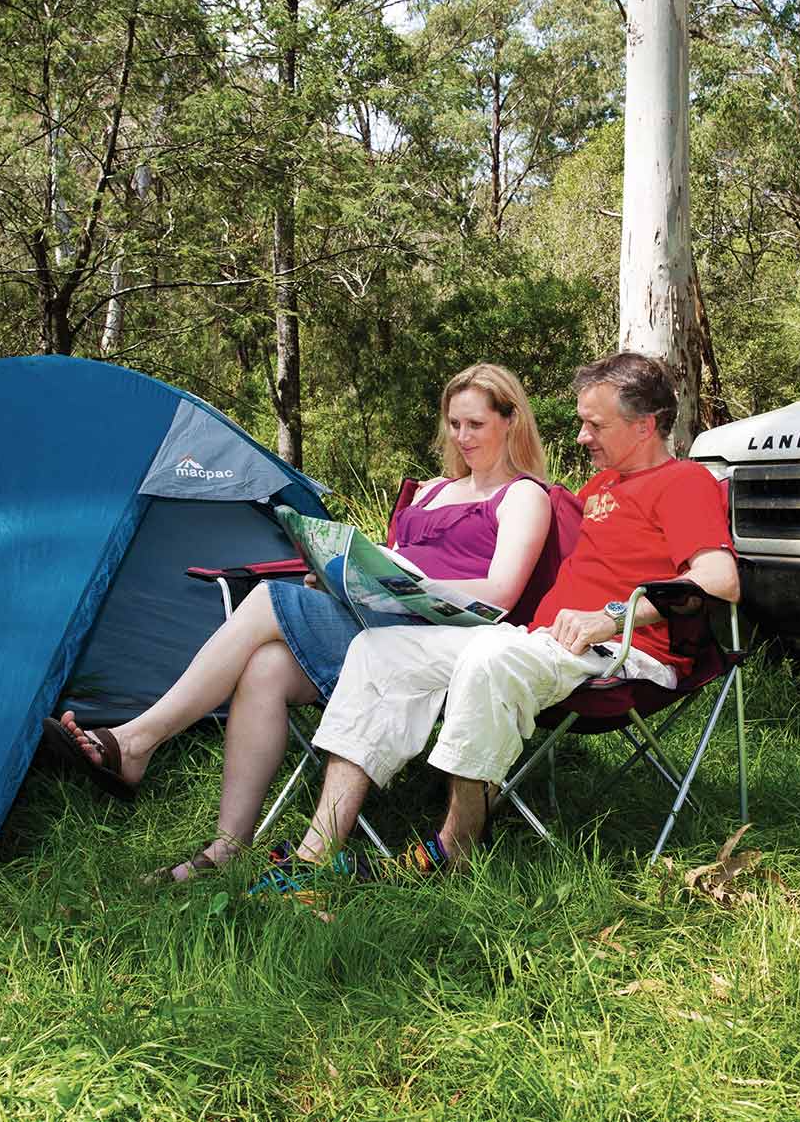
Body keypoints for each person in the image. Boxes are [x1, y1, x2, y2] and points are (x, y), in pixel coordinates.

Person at [45, 363, 553, 881]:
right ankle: (226, 847)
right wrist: (343, 578)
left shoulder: (523, 496)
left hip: (446, 645)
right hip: (375, 627)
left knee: (267, 599)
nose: (462, 437)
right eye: (454, 423)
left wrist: (416, 581)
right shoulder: (431, 492)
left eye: (476, 425)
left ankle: (136, 741)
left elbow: (502, 592)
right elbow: (388, 569)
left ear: (510, 421)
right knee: (265, 666)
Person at [285, 352, 738, 873]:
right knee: (379, 649)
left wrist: (612, 616)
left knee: (490, 658)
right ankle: (315, 854)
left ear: (644, 426)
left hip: (618, 652)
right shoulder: (601, 488)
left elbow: (718, 579)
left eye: (595, 424)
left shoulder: (683, 483)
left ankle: (454, 848)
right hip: (542, 641)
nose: (581, 437)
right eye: (581, 423)